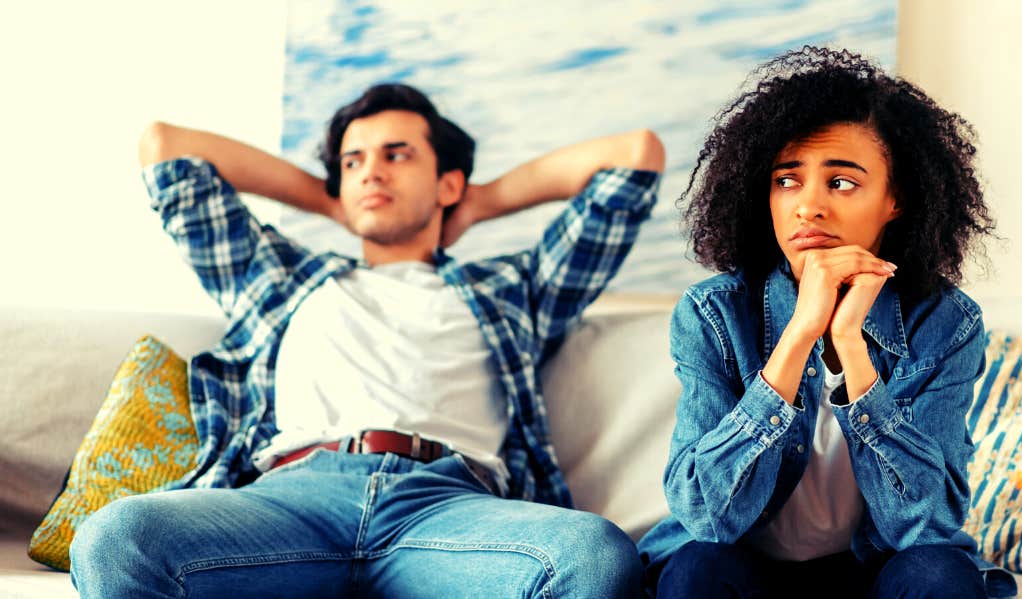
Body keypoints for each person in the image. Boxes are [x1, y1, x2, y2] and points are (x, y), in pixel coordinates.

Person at [69, 83, 664, 598]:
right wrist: (334, 202)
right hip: (291, 501)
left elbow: (635, 158)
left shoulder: (510, 289)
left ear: (448, 183)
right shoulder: (279, 280)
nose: (371, 171)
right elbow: (166, 149)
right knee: (117, 541)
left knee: (591, 557)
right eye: (351, 162)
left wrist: (479, 202)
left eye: (396, 155)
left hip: (447, 509)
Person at [636, 47, 1017, 598]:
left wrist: (848, 346)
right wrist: (799, 335)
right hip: (746, 567)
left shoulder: (946, 323)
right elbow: (707, 516)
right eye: (787, 180)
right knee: (698, 568)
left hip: (875, 568)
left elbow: (928, 523)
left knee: (941, 577)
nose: (807, 206)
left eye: (841, 183)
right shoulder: (713, 315)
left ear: (896, 200)